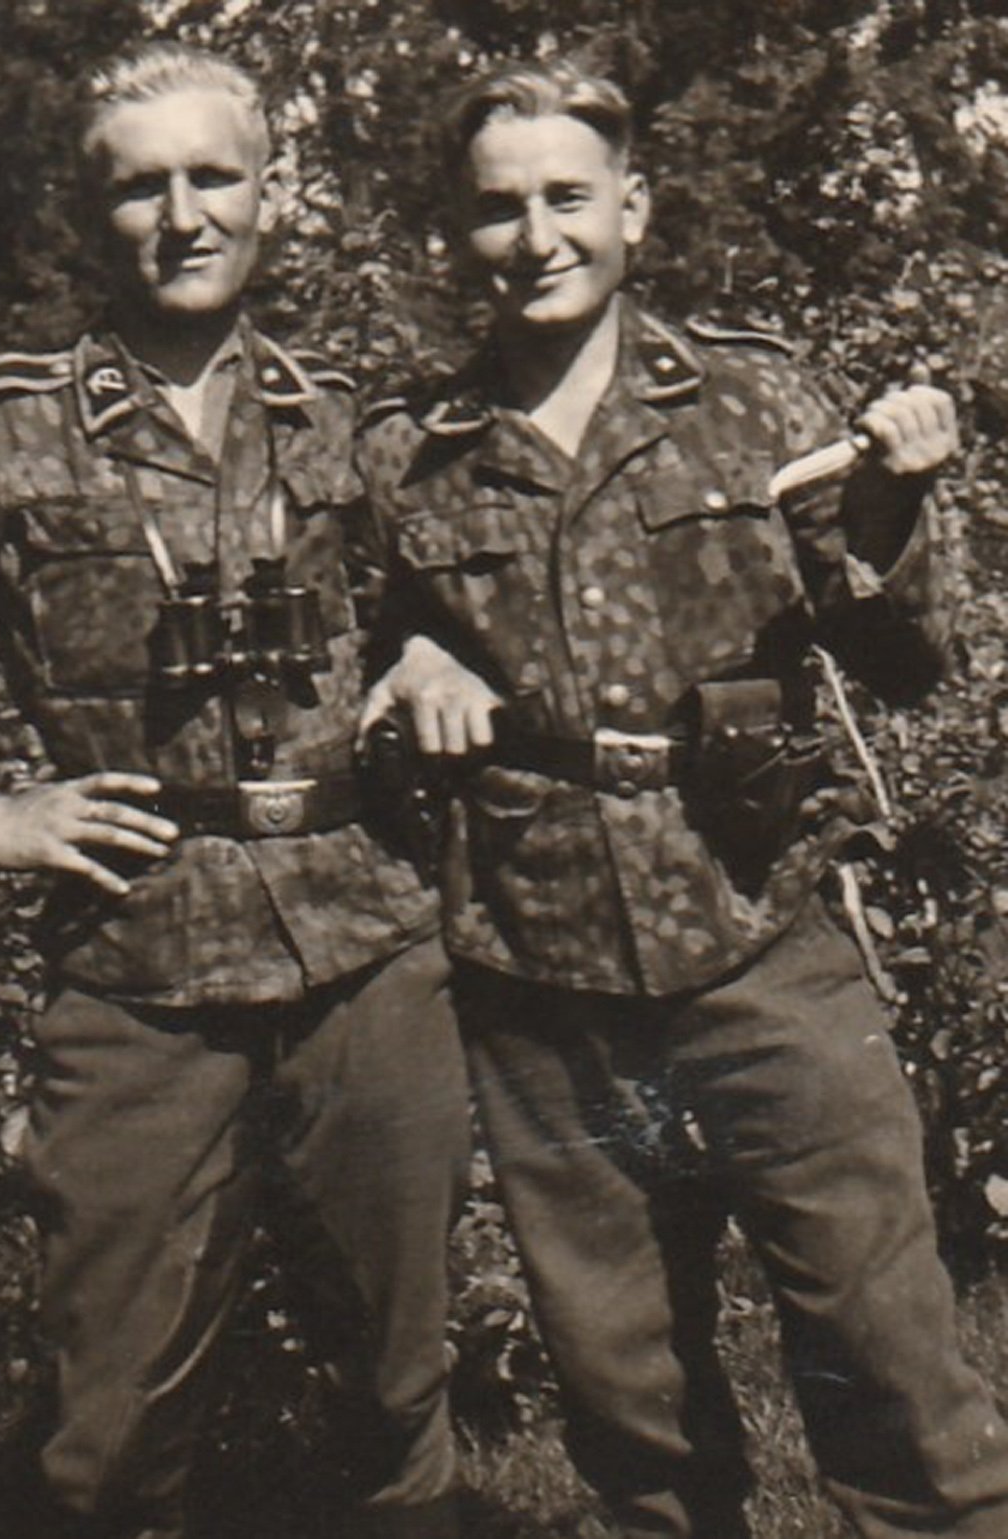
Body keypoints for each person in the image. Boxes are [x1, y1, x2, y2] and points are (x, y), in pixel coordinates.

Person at [0, 42, 470, 1539]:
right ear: (87, 215)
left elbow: (465, 592)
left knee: (399, 1392)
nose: (182, 216)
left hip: (367, 950)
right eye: (141, 187)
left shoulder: (344, 414)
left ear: (271, 197)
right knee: (103, 1431)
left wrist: (434, 649)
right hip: (135, 961)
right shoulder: (8, 426)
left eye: (214, 177)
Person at [355, 59, 1008, 1539]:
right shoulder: (406, 455)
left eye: (568, 198)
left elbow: (910, 662)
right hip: (539, 967)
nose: (537, 238)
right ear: (458, 232)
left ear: (634, 209)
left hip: (762, 923)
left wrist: (900, 505)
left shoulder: (754, 396)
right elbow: (348, 644)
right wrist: (405, 659)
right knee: (627, 1396)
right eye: (499, 209)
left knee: (891, 1358)